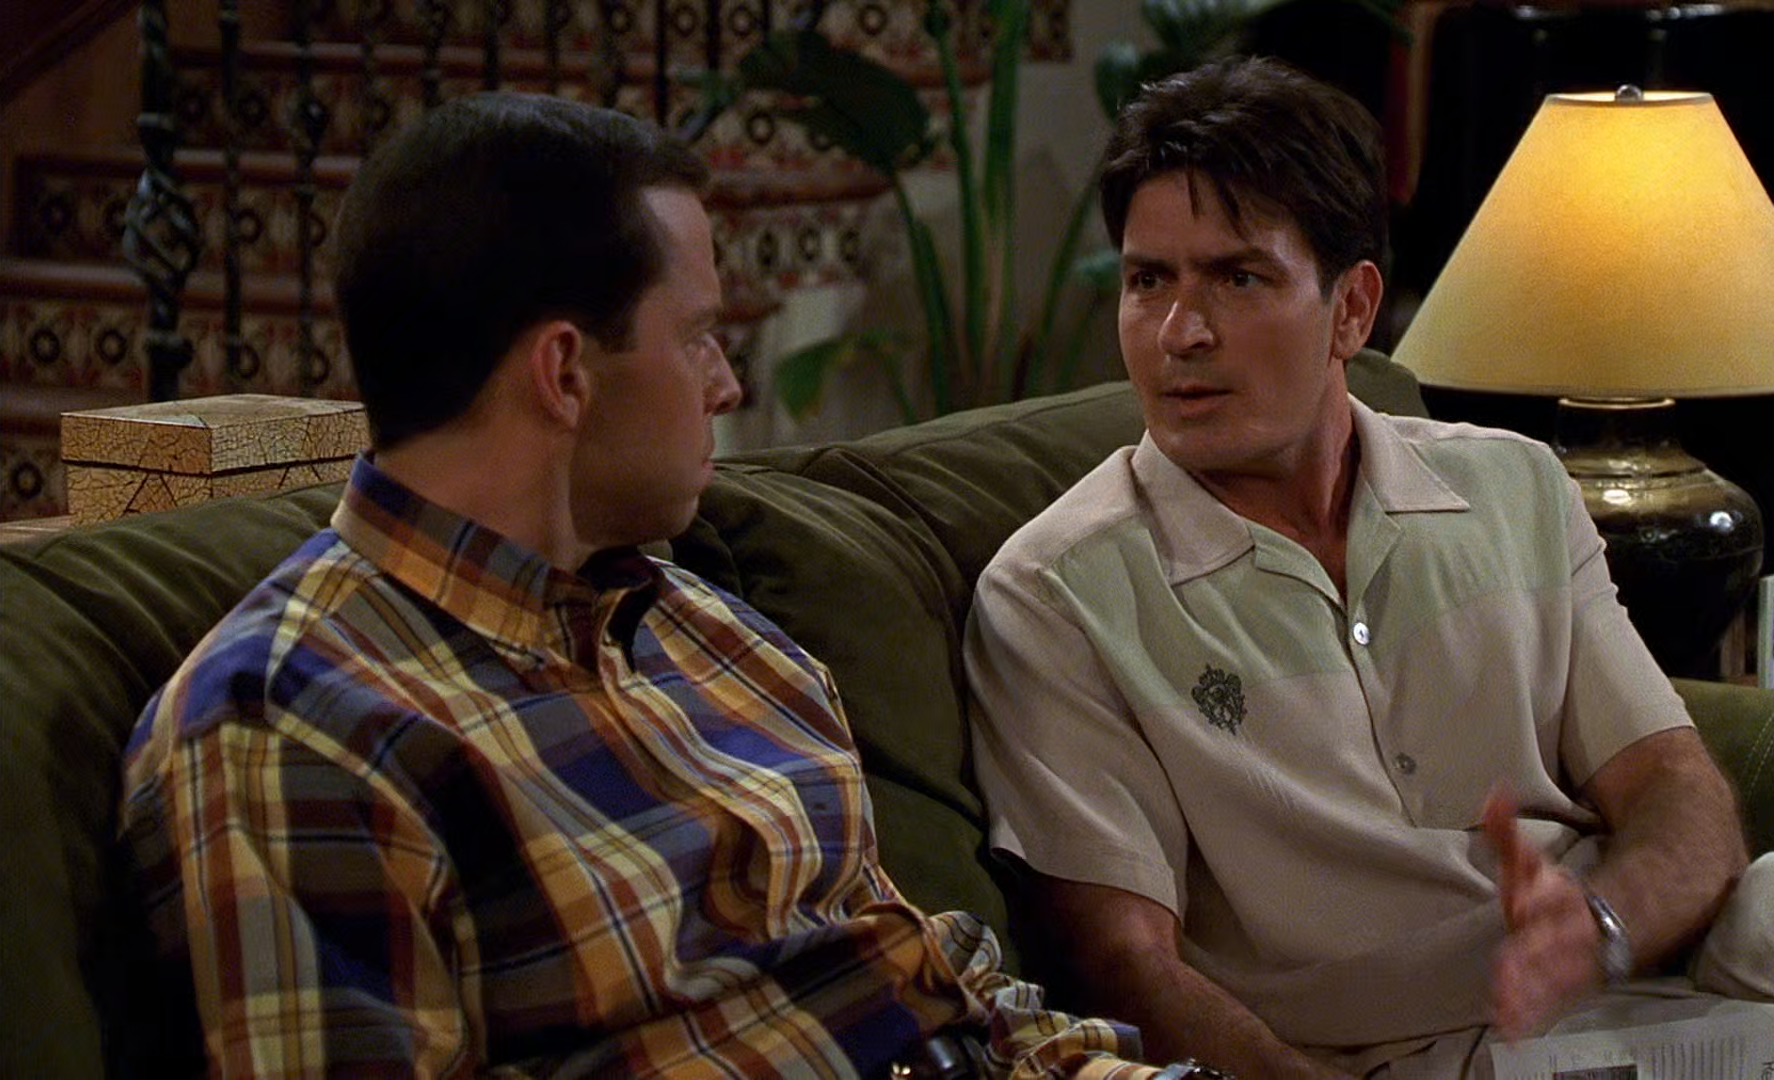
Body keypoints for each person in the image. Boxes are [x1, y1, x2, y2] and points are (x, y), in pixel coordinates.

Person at [119, 92, 1163, 1078]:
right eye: (698, 336)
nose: (728, 385)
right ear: (565, 373)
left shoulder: (711, 632)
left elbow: (942, 984)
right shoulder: (289, 725)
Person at [964, 56, 1774, 1079]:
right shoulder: (1055, 591)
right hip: (1413, 1044)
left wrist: (1599, 926)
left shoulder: (1514, 484)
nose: (1179, 334)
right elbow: (1124, 968)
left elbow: (1671, 785)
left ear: (1351, 309)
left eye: (1238, 278)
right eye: (1149, 280)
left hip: (1652, 950)